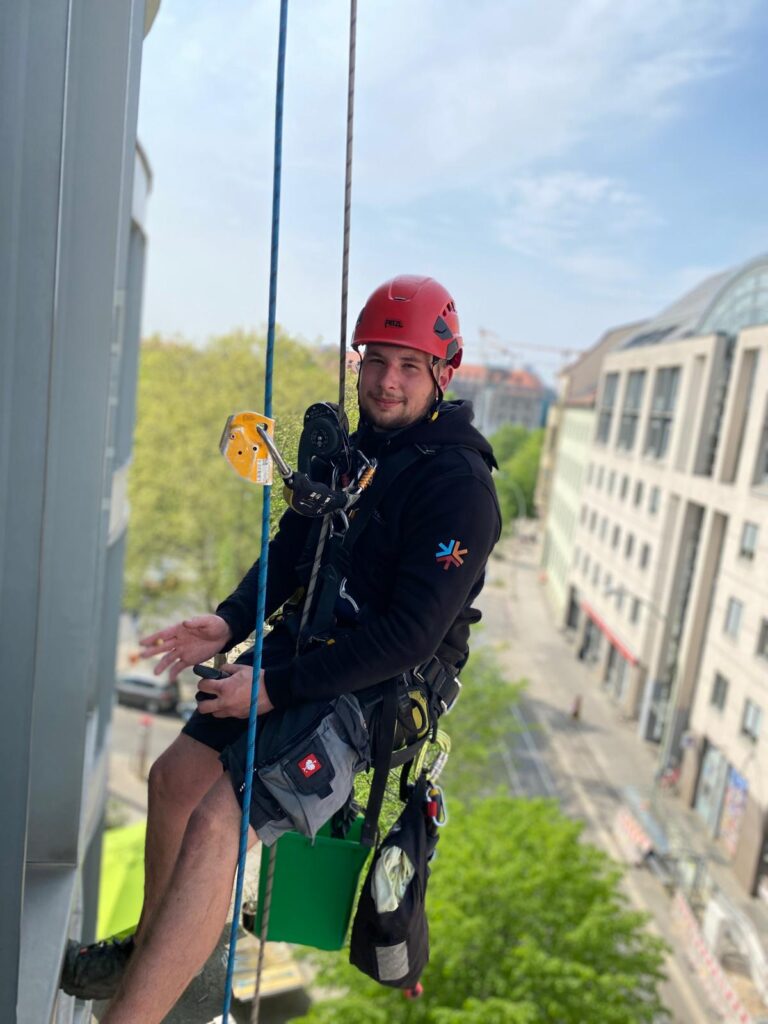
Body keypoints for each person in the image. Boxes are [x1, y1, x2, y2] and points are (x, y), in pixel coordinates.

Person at [61, 274, 501, 1021]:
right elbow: (294, 545)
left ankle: (134, 1013)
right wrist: (230, 622)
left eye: (408, 367)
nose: (387, 382)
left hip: (373, 691)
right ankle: (167, 959)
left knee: (219, 824)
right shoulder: (354, 449)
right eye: (376, 362)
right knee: (173, 781)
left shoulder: (459, 488)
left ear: (442, 375)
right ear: (358, 362)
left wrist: (270, 690)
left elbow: (408, 637)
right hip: (306, 653)